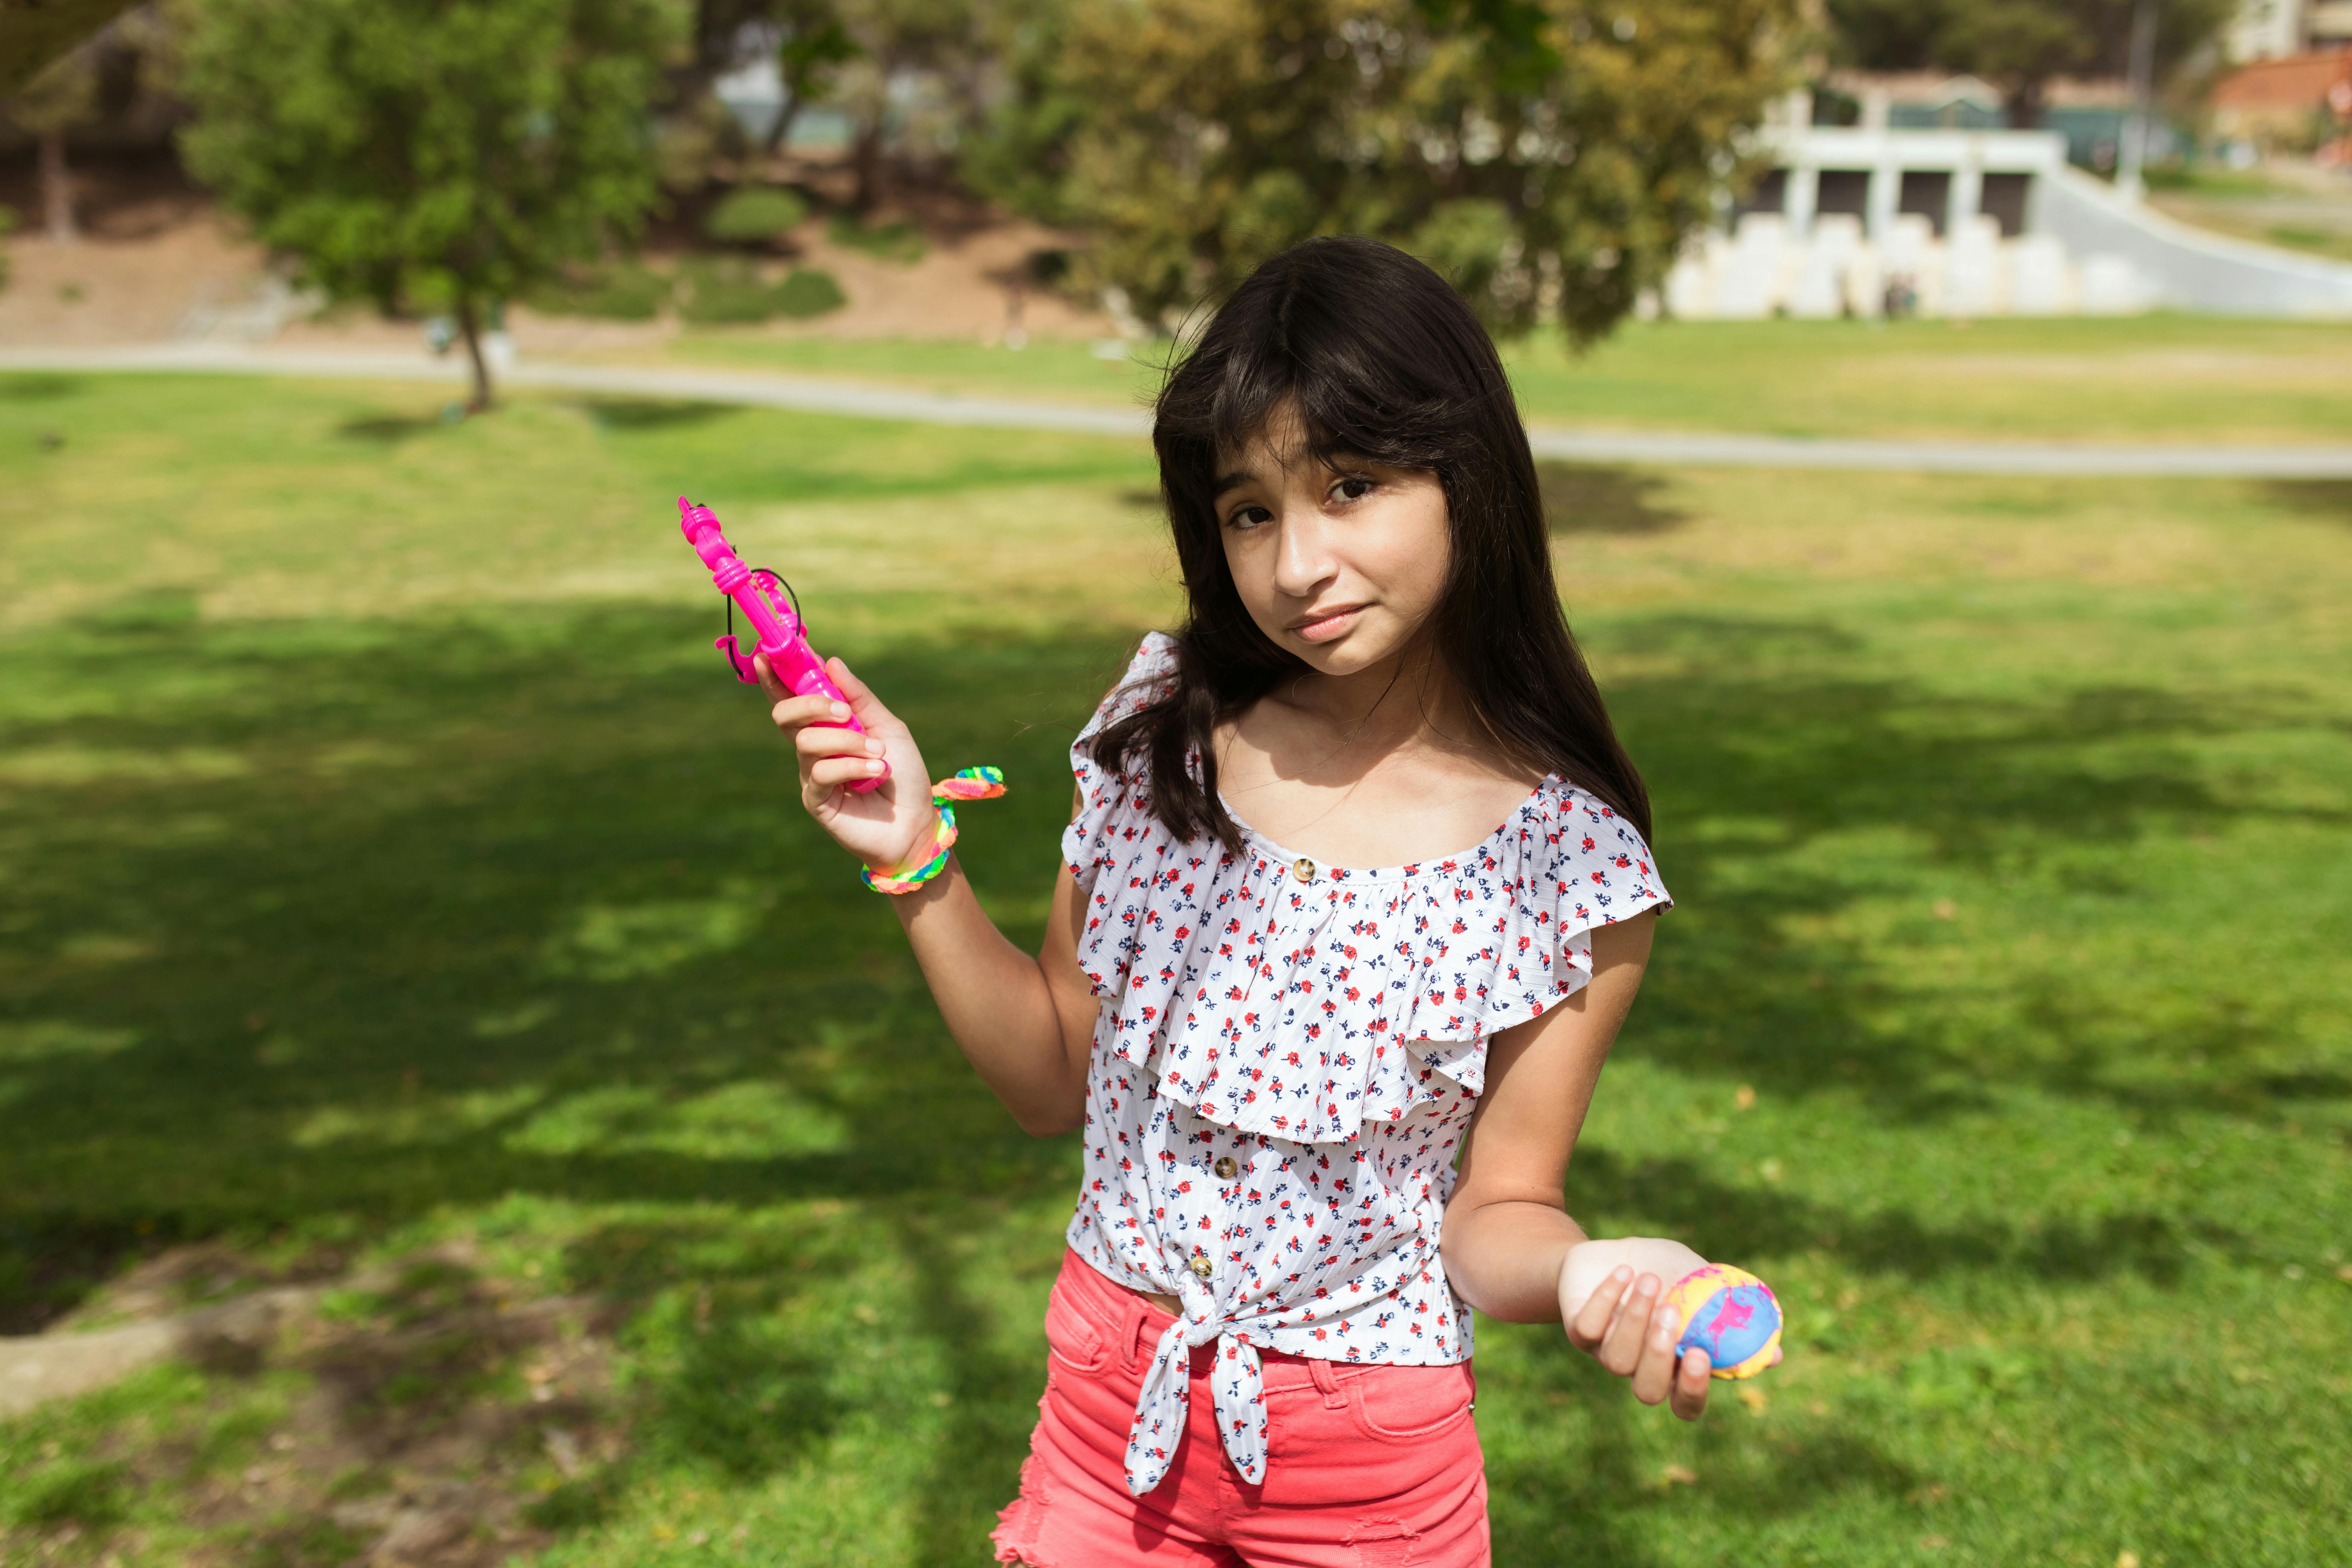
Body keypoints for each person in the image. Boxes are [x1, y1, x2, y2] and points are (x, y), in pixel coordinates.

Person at [761, 236, 1725, 1568]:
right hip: (1105, 1418)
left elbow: (1501, 1210)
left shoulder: (1571, 865)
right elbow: (1051, 1079)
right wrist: (917, 856)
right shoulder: (1165, 727)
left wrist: (1590, 1274)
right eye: (1250, 510)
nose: (1296, 566)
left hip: (1365, 1472)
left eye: (1352, 486)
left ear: (1471, 478)